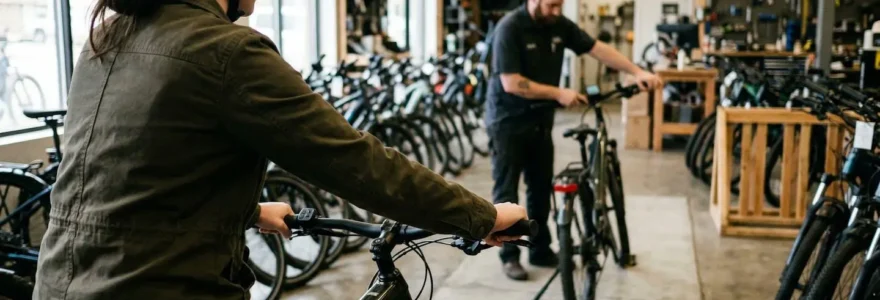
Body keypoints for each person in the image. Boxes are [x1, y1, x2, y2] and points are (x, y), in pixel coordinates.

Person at [33, 0, 528, 298]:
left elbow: (127, 175)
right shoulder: (226, 50)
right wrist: (480, 216)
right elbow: (355, 161)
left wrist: (247, 209)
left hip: (64, 284)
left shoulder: (107, 38)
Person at [486, 0, 662, 280]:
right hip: (507, 122)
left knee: (541, 188)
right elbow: (511, 82)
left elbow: (597, 48)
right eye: (552, 5)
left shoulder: (558, 24)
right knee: (507, 191)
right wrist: (558, 93)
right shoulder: (510, 28)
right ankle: (510, 256)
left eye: (560, 5)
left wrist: (637, 72)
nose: (557, 11)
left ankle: (539, 249)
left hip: (541, 121)